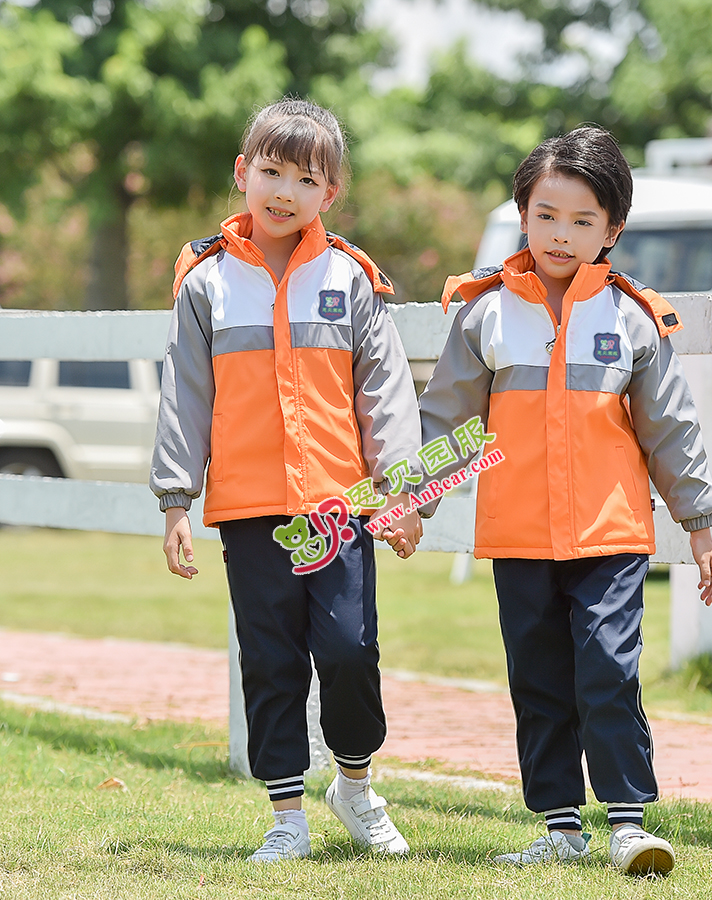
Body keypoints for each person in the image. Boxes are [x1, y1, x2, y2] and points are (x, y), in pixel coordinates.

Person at [417, 126, 712, 876]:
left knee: (608, 670)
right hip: (517, 535)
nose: (561, 234)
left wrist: (700, 523)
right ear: (523, 213)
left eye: (583, 221)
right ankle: (559, 825)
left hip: (610, 534)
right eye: (547, 215)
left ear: (612, 230)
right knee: (540, 679)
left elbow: (671, 427)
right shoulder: (483, 313)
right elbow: (445, 420)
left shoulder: (632, 319)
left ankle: (627, 823)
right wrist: (409, 505)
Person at [150, 97, 423, 862]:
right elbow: (185, 397)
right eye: (270, 171)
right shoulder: (205, 284)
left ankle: (357, 787)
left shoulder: (351, 278)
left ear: (329, 194)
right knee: (270, 660)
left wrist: (402, 494)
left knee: (346, 649)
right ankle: (286, 816)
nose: (284, 191)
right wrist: (176, 500)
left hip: (343, 509)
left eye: (306, 179)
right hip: (248, 510)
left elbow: (385, 392)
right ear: (242, 173)